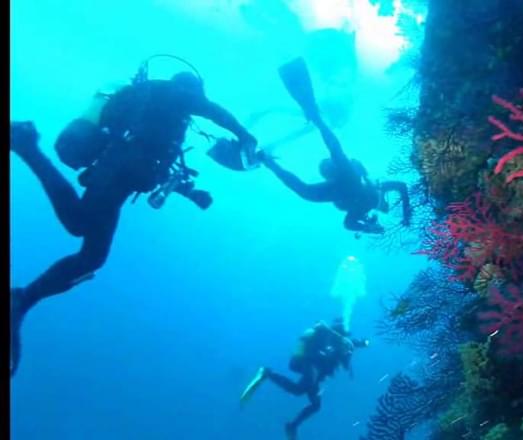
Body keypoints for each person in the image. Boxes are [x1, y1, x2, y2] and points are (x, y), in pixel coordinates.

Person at [9, 69, 257, 376]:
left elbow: (159, 164)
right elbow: (212, 111)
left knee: (91, 255)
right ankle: (27, 146)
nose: (197, 102)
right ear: (190, 88)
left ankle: (22, 300)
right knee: (80, 229)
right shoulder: (170, 92)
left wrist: (190, 194)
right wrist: (244, 135)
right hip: (116, 172)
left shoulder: (163, 113)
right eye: (196, 95)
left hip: (121, 175)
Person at [208, 57, 411, 235]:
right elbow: (401, 187)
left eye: (385, 208)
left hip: (341, 186)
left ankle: (278, 152)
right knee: (333, 152)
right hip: (349, 180)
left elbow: (348, 224)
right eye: (387, 205)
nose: (385, 206)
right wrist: (406, 213)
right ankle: (314, 118)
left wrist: (367, 227)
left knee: (311, 185)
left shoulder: (362, 210)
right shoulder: (378, 188)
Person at [239, 318, 369, 440]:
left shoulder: (344, 343)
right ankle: (267, 373)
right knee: (300, 390)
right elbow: (323, 329)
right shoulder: (330, 336)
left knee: (315, 404)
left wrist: (363, 343)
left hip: (317, 373)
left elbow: (356, 344)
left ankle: (292, 425)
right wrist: (341, 339)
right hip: (312, 363)